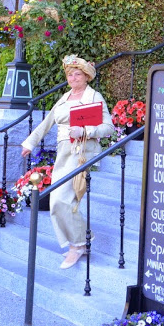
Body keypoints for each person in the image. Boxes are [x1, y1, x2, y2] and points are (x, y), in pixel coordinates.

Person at [21, 55, 115, 269]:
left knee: (63, 200)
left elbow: (108, 128)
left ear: (86, 77)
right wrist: (30, 143)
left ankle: (78, 245)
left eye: (77, 74)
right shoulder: (64, 98)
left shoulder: (94, 97)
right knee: (56, 200)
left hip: (82, 151)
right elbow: (46, 123)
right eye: (70, 74)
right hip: (64, 151)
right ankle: (81, 237)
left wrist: (85, 130)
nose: (73, 77)